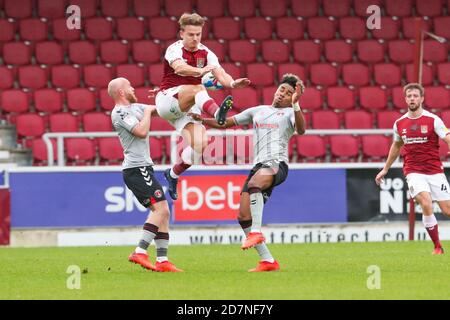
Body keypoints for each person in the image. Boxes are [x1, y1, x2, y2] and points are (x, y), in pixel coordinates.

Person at [191, 74, 306, 271]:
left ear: (292, 99)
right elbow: (225, 123)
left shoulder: (289, 113)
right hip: (259, 166)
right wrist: (201, 120)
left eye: (288, 94)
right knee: (243, 216)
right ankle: (268, 261)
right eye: (281, 90)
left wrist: (296, 105)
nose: (283, 95)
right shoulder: (258, 111)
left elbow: (302, 130)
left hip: (277, 163)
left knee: (254, 185)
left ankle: (256, 232)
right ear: (276, 90)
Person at [153, 12, 251, 201]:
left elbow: (220, 73)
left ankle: (172, 174)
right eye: (191, 34)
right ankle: (217, 113)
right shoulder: (174, 49)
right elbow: (180, 68)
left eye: (198, 34)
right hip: (168, 99)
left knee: (201, 144)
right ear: (181, 33)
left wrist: (232, 84)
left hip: (188, 107)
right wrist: (201, 71)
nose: (195, 38)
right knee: (198, 87)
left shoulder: (206, 53)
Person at [108, 77, 183, 272]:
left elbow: (163, 111)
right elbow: (141, 131)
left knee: (163, 213)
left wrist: (165, 98)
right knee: (162, 211)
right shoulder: (120, 112)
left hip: (143, 168)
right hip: (136, 169)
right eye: (130, 86)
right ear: (122, 92)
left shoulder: (136, 107)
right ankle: (140, 251)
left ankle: (163, 260)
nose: (134, 88)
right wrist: (149, 111)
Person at [375, 83, 450, 255]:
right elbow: (396, 145)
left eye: (415, 96)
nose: (412, 99)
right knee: (425, 203)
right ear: (405, 99)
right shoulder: (400, 123)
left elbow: (447, 136)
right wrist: (385, 169)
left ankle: (437, 246)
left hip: (435, 171)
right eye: (409, 96)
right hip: (413, 171)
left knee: (447, 211)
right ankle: (437, 247)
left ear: (422, 98)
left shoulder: (433, 119)